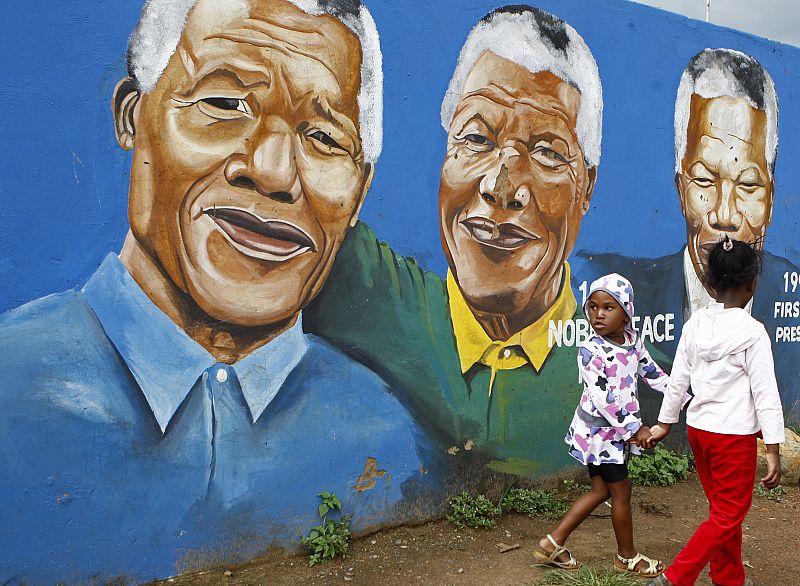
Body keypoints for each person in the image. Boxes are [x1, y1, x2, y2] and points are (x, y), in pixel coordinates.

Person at [0, 1, 443, 583]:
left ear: (358, 194)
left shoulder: (386, 435)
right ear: (133, 117)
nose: (274, 170)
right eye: (224, 104)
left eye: (324, 137)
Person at [306, 4, 603, 477]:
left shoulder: (622, 369)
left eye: (547, 151)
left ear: (586, 187)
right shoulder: (373, 295)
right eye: (476, 139)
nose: (500, 187)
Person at [572, 48, 799, 428]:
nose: (725, 215)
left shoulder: (787, 295)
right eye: (705, 180)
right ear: (680, 189)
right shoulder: (624, 296)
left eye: (748, 185)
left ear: (771, 199)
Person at [644, 236, 785, 586]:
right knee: (728, 513)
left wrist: (664, 423)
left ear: (708, 284)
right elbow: (766, 394)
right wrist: (773, 449)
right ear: (752, 284)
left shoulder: (694, 327)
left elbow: (677, 380)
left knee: (722, 511)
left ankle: (729, 578)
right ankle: (675, 578)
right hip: (733, 439)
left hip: (700, 433)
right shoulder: (753, 334)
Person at [534, 274, 671, 577]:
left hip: (613, 435)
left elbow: (652, 372)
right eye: (593, 307)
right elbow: (605, 400)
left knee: (600, 490)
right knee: (620, 493)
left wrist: (682, 396)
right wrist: (635, 429)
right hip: (599, 435)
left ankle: (552, 543)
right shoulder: (590, 352)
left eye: (609, 307)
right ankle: (627, 557)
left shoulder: (633, 342)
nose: (599, 314)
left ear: (627, 312)